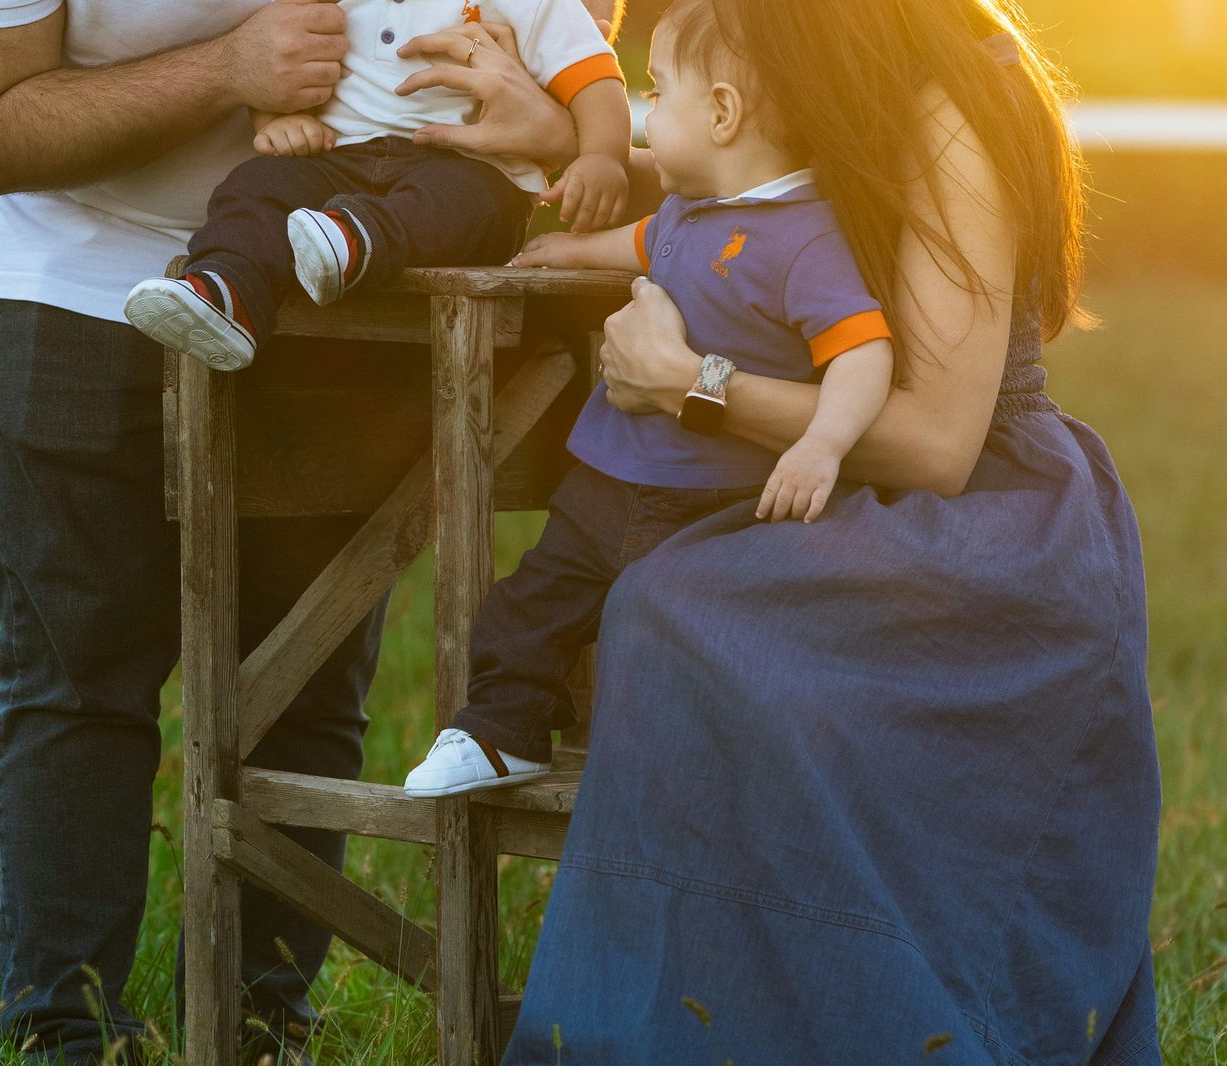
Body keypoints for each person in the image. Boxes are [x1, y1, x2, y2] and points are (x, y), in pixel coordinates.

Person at [0, 0, 620, 1062]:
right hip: (74, 283)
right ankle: (62, 1028)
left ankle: (257, 1026)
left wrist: (558, 124)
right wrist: (229, 70)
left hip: (355, 284)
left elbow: (573, 27)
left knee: (309, 680)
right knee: (78, 675)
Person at [493, 0, 1163, 1060]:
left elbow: (940, 441)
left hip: (987, 524)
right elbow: (683, 167)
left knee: (684, 614)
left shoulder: (954, 99)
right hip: (844, 492)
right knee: (672, 605)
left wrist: (687, 384)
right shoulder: (794, 65)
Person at [402, 2, 897, 798]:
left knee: (682, 646)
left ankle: (700, 775)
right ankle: (501, 732)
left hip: (711, 507)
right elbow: (635, 245)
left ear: (724, 113)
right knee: (529, 607)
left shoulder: (806, 239)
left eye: (659, 95)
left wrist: (822, 443)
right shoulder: (685, 210)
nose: (645, 114)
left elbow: (863, 350)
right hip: (605, 481)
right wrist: (566, 251)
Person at [122, 0, 631, 373]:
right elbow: (284, 60)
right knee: (258, 181)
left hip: (470, 164)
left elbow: (593, 78)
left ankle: (354, 240)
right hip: (337, 158)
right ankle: (225, 292)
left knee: (465, 207)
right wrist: (277, 118)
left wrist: (603, 157)